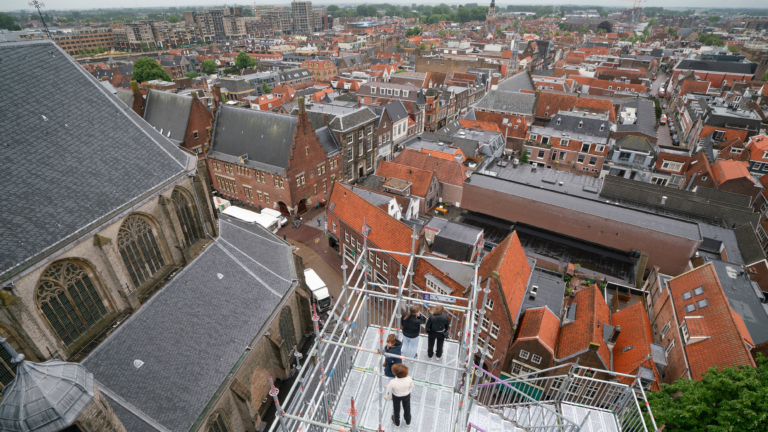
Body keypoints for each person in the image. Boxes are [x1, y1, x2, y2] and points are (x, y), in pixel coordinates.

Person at [386, 363, 414, 428]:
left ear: (395, 373)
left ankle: (397, 423)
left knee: (396, 409)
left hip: (396, 396)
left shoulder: (393, 382)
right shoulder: (409, 379)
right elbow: (411, 386)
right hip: (406, 395)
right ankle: (408, 421)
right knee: (407, 407)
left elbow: (388, 390)